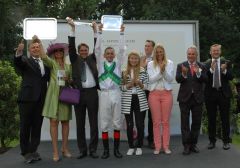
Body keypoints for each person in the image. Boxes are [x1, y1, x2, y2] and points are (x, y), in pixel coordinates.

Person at [66, 17, 99, 159]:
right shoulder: (75, 59)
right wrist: (73, 29)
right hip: (78, 93)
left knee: (93, 123)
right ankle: (82, 150)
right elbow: (71, 46)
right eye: (82, 50)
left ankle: (92, 149)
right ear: (79, 52)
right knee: (80, 124)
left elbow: (97, 46)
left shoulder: (93, 58)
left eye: (86, 50)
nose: (84, 52)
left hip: (92, 93)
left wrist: (95, 31)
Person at [14, 36, 50, 163]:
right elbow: (18, 62)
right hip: (27, 100)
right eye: (33, 47)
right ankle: (25, 152)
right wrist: (19, 52)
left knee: (37, 126)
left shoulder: (45, 63)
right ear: (29, 50)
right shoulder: (25, 61)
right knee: (25, 127)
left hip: (41, 100)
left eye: (37, 47)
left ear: (40, 49)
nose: (36, 49)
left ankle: (34, 150)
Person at [94, 24, 125, 159]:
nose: (110, 55)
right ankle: (106, 150)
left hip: (116, 93)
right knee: (104, 123)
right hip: (105, 94)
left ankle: (116, 150)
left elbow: (122, 50)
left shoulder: (118, 64)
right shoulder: (100, 64)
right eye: (108, 53)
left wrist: (121, 34)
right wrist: (99, 33)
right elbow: (97, 49)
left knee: (117, 122)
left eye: (112, 53)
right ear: (105, 55)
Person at [40, 43, 72, 161]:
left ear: (63, 52)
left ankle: (65, 148)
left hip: (65, 95)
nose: (58, 52)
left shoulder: (69, 66)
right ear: (53, 53)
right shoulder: (52, 63)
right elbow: (43, 56)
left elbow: (72, 82)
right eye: (56, 51)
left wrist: (68, 79)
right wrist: (39, 42)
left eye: (60, 50)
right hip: (53, 95)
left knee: (65, 122)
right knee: (53, 122)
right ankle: (55, 151)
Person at [176, 45, 208, 155]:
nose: (191, 56)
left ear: (196, 55)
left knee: (196, 123)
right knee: (184, 123)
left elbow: (205, 79)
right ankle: (186, 145)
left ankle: (193, 144)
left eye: (193, 54)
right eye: (189, 54)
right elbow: (178, 79)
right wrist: (184, 73)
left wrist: (198, 72)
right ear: (187, 54)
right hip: (184, 99)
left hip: (197, 99)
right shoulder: (181, 65)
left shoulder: (202, 66)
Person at [204, 44, 233, 150]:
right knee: (211, 119)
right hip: (210, 94)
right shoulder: (206, 64)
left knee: (225, 119)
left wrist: (224, 70)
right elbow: (204, 78)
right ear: (210, 52)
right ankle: (212, 141)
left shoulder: (226, 62)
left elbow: (231, 77)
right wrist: (211, 70)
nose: (216, 52)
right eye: (214, 51)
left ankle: (226, 142)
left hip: (223, 94)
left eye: (217, 51)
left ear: (220, 52)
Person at [147, 44, 174, 155]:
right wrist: (160, 72)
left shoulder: (170, 63)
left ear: (164, 52)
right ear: (154, 53)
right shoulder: (150, 64)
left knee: (166, 122)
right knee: (156, 122)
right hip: (154, 94)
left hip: (166, 94)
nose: (159, 54)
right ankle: (157, 147)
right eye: (157, 52)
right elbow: (151, 80)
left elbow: (170, 79)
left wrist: (164, 71)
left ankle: (166, 146)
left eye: (161, 51)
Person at [121, 51, 149, 156]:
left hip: (140, 100)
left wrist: (140, 84)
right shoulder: (124, 71)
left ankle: (139, 146)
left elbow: (147, 86)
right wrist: (129, 85)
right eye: (132, 58)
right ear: (129, 59)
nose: (133, 60)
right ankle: (131, 146)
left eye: (136, 58)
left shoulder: (143, 70)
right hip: (128, 100)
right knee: (129, 125)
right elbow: (121, 87)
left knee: (140, 124)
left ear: (138, 60)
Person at [140, 40, 155, 148]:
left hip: (153, 90)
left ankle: (151, 140)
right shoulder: (140, 59)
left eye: (148, 46)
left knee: (151, 117)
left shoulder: (157, 59)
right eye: (145, 46)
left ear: (153, 48)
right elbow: (137, 74)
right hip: (141, 90)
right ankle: (139, 140)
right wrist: (143, 66)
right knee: (140, 116)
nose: (146, 48)